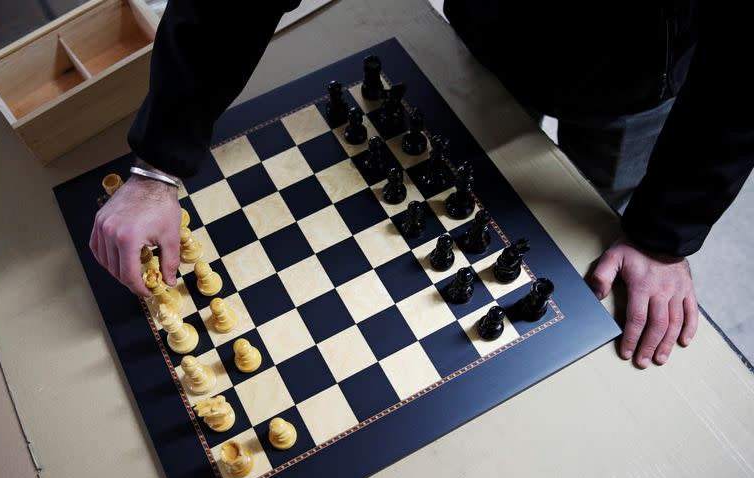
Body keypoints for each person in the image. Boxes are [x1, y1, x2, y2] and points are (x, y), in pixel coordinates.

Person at [90, 1, 753, 370]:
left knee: (593, 214)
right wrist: (158, 163)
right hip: (490, 32)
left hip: (638, 79)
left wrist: (663, 237)